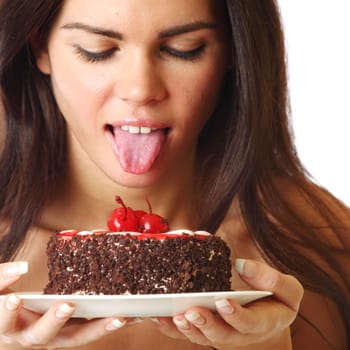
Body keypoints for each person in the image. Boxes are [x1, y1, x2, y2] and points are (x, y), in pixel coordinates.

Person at [0, 0, 349, 349]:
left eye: (184, 50)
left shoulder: (317, 241)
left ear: (233, 50)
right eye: (98, 51)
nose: (140, 90)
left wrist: (270, 344)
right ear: (41, 46)